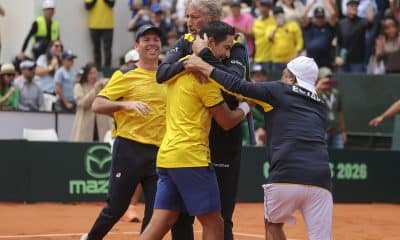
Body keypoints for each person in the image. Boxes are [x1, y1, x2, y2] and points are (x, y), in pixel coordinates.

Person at [183, 54, 333, 240]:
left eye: (285, 74)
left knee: (273, 225)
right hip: (321, 178)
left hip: (286, 175)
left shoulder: (279, 90)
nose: (281, 78)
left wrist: (203, 66)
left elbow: (237, 86)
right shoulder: (321, 104)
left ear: (292, 78)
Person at [138, 20, 251, 240]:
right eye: (226, 47)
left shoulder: (179, 66)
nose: (228, 55)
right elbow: (226, 121)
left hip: (168, 157)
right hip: (191, 157)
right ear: (209, 42)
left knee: (161, 222)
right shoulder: (203, 78)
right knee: (215, 224)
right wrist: (247, 105)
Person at [80, 24, 166, 240]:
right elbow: (97, 105)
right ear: (136, 45)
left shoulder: (167, 75)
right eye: (146, 39)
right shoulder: (125, 74)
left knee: (155, 211)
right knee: (116, 208)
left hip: (160, 152)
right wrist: (126, 105)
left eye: (156, 39)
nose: (152, 43)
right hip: (129, 149)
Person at [71, 62, 110, 142]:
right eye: (91, 73)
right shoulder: (79, 86)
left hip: (101, 123)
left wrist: (107, 84)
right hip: (85, 124)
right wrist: (95, 89)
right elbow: (82, 103)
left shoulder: (101, 85)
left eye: (95, 73)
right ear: (86, 74)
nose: (93, 76)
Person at [315, 67, 347, 149]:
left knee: (339, 154)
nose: (328, 80)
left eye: (329, 77)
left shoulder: (336, 93)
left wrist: (343, 131)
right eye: (325, 77)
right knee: (321, 155)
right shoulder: (315, 93)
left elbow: (340, 112)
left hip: (337, 131)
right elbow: (306, 100)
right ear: (319, 79)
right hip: (322, 131)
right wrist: (317, 88)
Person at [266, 6, 303, 72]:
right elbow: (269, 39)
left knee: (290, 80)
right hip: (276, 61)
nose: (278, 16)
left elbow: (299, 40)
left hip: (291, 60)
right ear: (273, 16)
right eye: (276, 14)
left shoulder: (293, 25)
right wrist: (276, 27)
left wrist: (298, 52)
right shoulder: (270, 27)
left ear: (283, 14)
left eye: (280, 14)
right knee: (277, 79)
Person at [85, 0, 115, 70]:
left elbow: (112, 4)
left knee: (108, 49)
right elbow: (88, 7)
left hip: (108, 25)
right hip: (94, 25)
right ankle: (98, 69)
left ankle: (107, 69)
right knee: (96, 48)